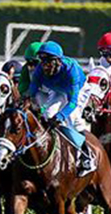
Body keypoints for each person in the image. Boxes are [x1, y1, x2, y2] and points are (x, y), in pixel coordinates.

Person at [27, 41, 95, 176]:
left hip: (78, 91)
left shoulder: (71, 71)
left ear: (58, 61)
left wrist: (60, 117)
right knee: (47, 114)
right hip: (58, 90)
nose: (45, 66)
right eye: (42, 61)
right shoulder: (40, 69)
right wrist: (25, 101)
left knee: (71, 118)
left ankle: (86, 155)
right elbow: (32, 91)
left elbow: (73, 102)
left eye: (48, 61)